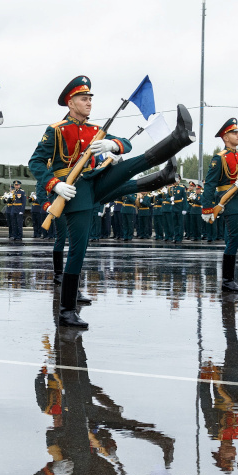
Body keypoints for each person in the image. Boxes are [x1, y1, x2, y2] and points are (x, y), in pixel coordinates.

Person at [29, 75, 194, 328]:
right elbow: (36, 163)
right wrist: (55, 185)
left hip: (95, 179)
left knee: (129, 166)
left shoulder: (96, 131)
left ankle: (178, 139)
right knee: (78, 250)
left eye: (90, 98)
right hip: (73, 189)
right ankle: (66, 311)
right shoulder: (57, 130)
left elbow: (126, 143)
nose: (89, 103)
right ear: (70, 103)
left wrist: (113, 145)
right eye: (84, 99)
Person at [200, 118, 238, 293]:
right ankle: (227, 280)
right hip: (229, 199)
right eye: (234, 133)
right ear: (225, 137)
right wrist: (207, 207)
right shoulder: (219, 158)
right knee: (233, 239)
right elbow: (210, 184)